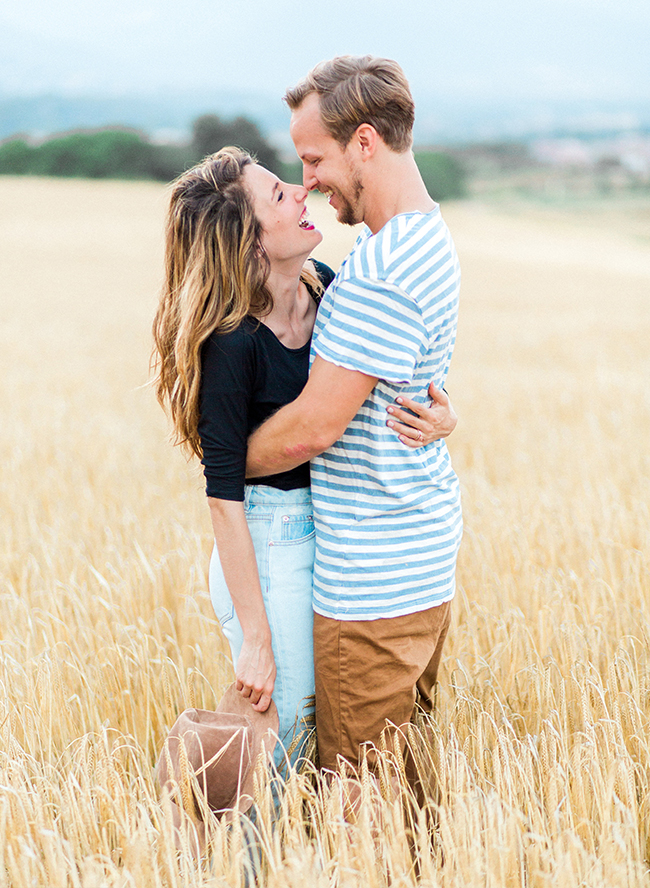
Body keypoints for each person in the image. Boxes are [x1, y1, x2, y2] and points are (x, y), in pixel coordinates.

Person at [151, 146, 456, 771]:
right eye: (277, 194)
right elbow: (223, 498)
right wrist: (255, 640)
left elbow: (386, 378)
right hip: (268, 540)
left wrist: (444, 416)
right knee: (282, 735)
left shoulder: (328, 291)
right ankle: (239, 858)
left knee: (311, 728)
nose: (300, 189)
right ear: (250, 240)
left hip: (325, 532)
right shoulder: (232, 343)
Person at [244, 56, 463, 778]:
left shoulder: (381, 270)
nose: (306, 180)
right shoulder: (415, 241)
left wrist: (222, 458)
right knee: (407, 790)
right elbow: (412, 380)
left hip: (370, 585)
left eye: (314, 159)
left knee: (358, 796)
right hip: (418, 562)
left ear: (364, 143)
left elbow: (315, 427)